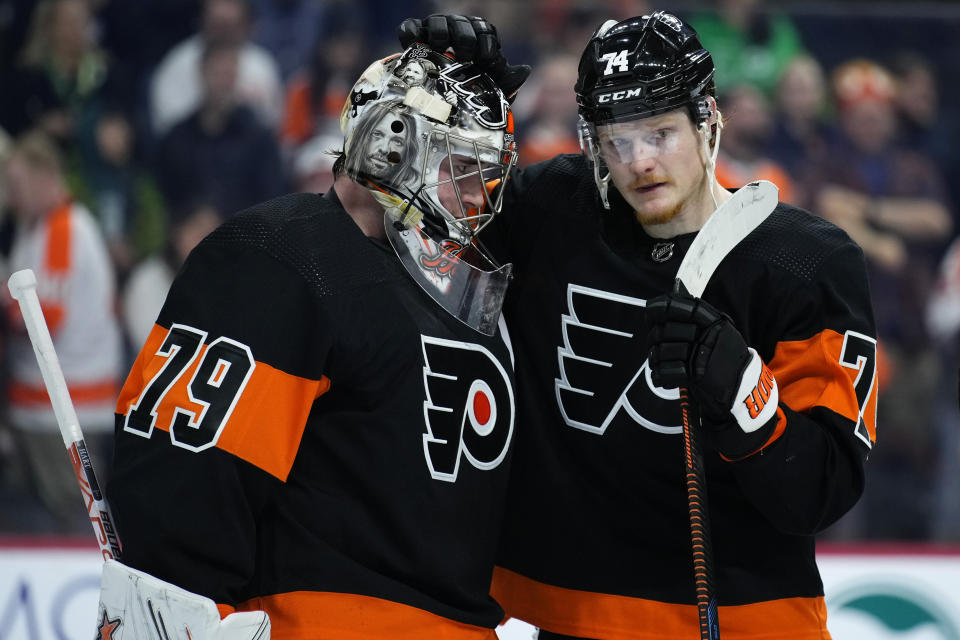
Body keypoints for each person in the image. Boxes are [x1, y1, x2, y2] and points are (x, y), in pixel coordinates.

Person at [401, 11, 878, 639]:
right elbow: (414, 234)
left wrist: (747, 395)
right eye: (616, 141)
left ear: (708, 121)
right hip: (574, 614)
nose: (640, 163)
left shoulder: (804, 262)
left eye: (660, 133)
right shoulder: (553, 211)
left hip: (745, 621)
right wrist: (450, 102)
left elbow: (824, 489)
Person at [97, 45, 520, 639]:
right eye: (458, 167)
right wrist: (177, 608)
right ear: (390, 144)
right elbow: (188, 483)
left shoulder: (462, 283)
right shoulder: (284, 254)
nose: (474, 198)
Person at [2, 129, 122, 533]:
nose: (10, 194)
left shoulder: (61, 229)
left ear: (45, 177)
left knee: (73, 524)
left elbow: (44, 316)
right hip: (51, 404)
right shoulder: (41, 226)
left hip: (64, 409)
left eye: (16, 184)